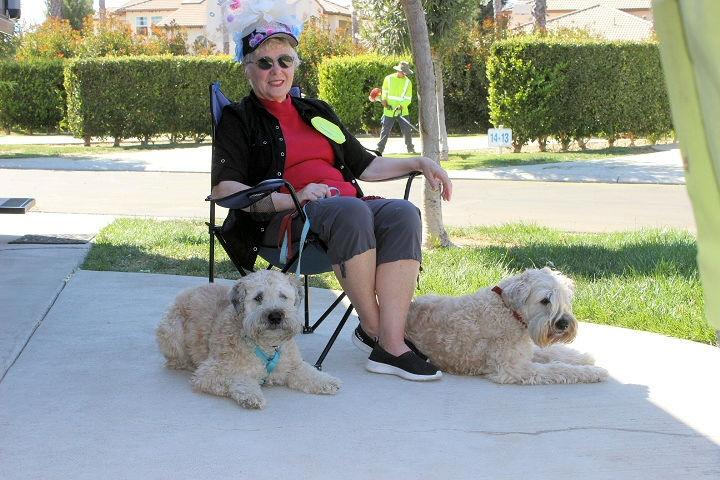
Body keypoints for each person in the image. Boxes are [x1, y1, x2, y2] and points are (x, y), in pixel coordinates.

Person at [210, 10, 452, 381]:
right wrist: (297, 196)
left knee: (403, 213)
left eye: (285, 60)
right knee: (350, 210)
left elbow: (365, 167)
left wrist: (420, 161)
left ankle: (389, 341)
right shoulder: (239, 119)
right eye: (265, 62)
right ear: (248, 68)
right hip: (285, 225)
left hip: (345, 210)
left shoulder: (317, 111)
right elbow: (225, 190)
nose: (276, 70)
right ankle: (381, 338)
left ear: (295, 65)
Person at [376, 61, 416, 155]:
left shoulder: (408, 82)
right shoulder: (388, 78)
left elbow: (408, 98)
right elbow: (384, 91)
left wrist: (401, 106)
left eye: (405, 72)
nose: (404, 74)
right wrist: (384, 101)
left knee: (407, 130)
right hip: (389, 110)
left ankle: (410, 148)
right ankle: (379, 149)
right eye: (403, 72)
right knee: (385, 130)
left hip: (402, 111)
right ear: (398, 70)